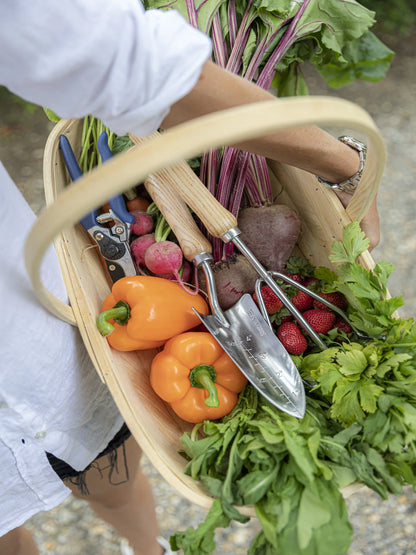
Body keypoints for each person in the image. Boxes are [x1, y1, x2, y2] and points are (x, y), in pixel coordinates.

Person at [0, 1, 380, 554]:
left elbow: (117, 61)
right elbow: (131, 68)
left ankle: (149, 548)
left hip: (26, 332)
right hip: (38, 313)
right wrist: (346, 163)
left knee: (111, 472)